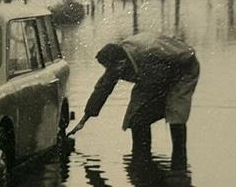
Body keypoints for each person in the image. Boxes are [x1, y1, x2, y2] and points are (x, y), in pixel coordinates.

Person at [70, 32, 200, 170]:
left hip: (183, 69)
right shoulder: (118, 61)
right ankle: (141, 161)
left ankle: (178, 167)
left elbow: (160, 85)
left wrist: (160, 106)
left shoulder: (148, 54)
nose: (112, 72)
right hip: (150, 76)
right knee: (135, 119)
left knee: (175, 112)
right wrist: (84, 120)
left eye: (112, 68)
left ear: (122, 62)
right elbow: (103, 88)